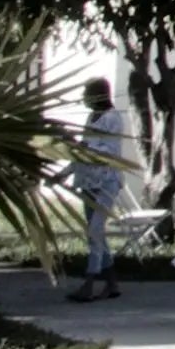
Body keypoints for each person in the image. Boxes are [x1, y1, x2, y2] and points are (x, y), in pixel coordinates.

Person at [63, 77, 135, 303]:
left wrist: (82, 145)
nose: (84, 99)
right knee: (97, 234)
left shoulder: (113, 119)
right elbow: (81, 153)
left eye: (87, 94)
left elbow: (107, 150)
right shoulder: (91, 117)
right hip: (87, 181)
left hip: (106, 181)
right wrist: (63, 173)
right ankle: (112, 283)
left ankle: (90, 282)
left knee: (95, 230)